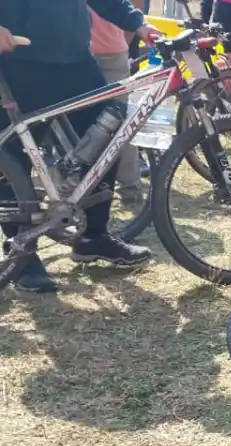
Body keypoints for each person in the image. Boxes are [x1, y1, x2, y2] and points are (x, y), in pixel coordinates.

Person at [0, 0, 158, 294]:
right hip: (19, 60)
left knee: (110, 130)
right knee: (14, 159)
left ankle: (93, 236)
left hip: (76, 58)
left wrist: (137, 23)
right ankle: (21, 256)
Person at [90, 11, 144, 209]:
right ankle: (130, 189)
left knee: (115, 125)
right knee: (121, 125)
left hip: (85, 53)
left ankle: (127, 188)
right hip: (111, 50)